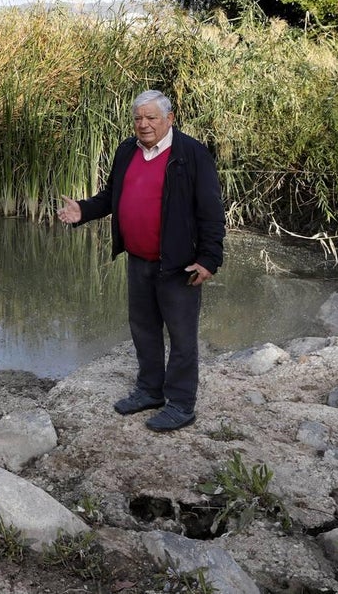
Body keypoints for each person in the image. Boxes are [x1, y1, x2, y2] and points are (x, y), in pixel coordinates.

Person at [57, 90, 225, 432]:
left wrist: (209, 259)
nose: (143, 124)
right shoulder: (126, 151)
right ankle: (150, 390)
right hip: (139, 260)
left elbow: (211, 211)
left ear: (169, 119)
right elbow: (111, 196)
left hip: (179, 264)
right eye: (138, 118)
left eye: (151, 118)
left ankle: (180, 403)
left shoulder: (191, 154)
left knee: (181, 337)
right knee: (144, 330)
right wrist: (83, 210)